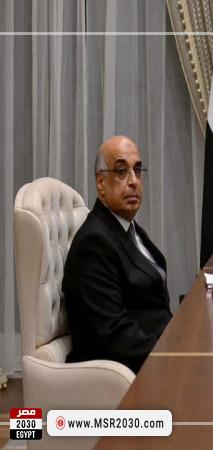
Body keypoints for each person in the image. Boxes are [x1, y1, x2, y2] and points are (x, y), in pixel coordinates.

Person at [63, 136, 172, 373]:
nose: (133, 181)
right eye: (122, 171)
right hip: (126, 371)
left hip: (158, 349)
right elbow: (116, 333)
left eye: (138, 170)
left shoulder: (128, 228)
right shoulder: (94, 243)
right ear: (100, 182)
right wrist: (174, 356)